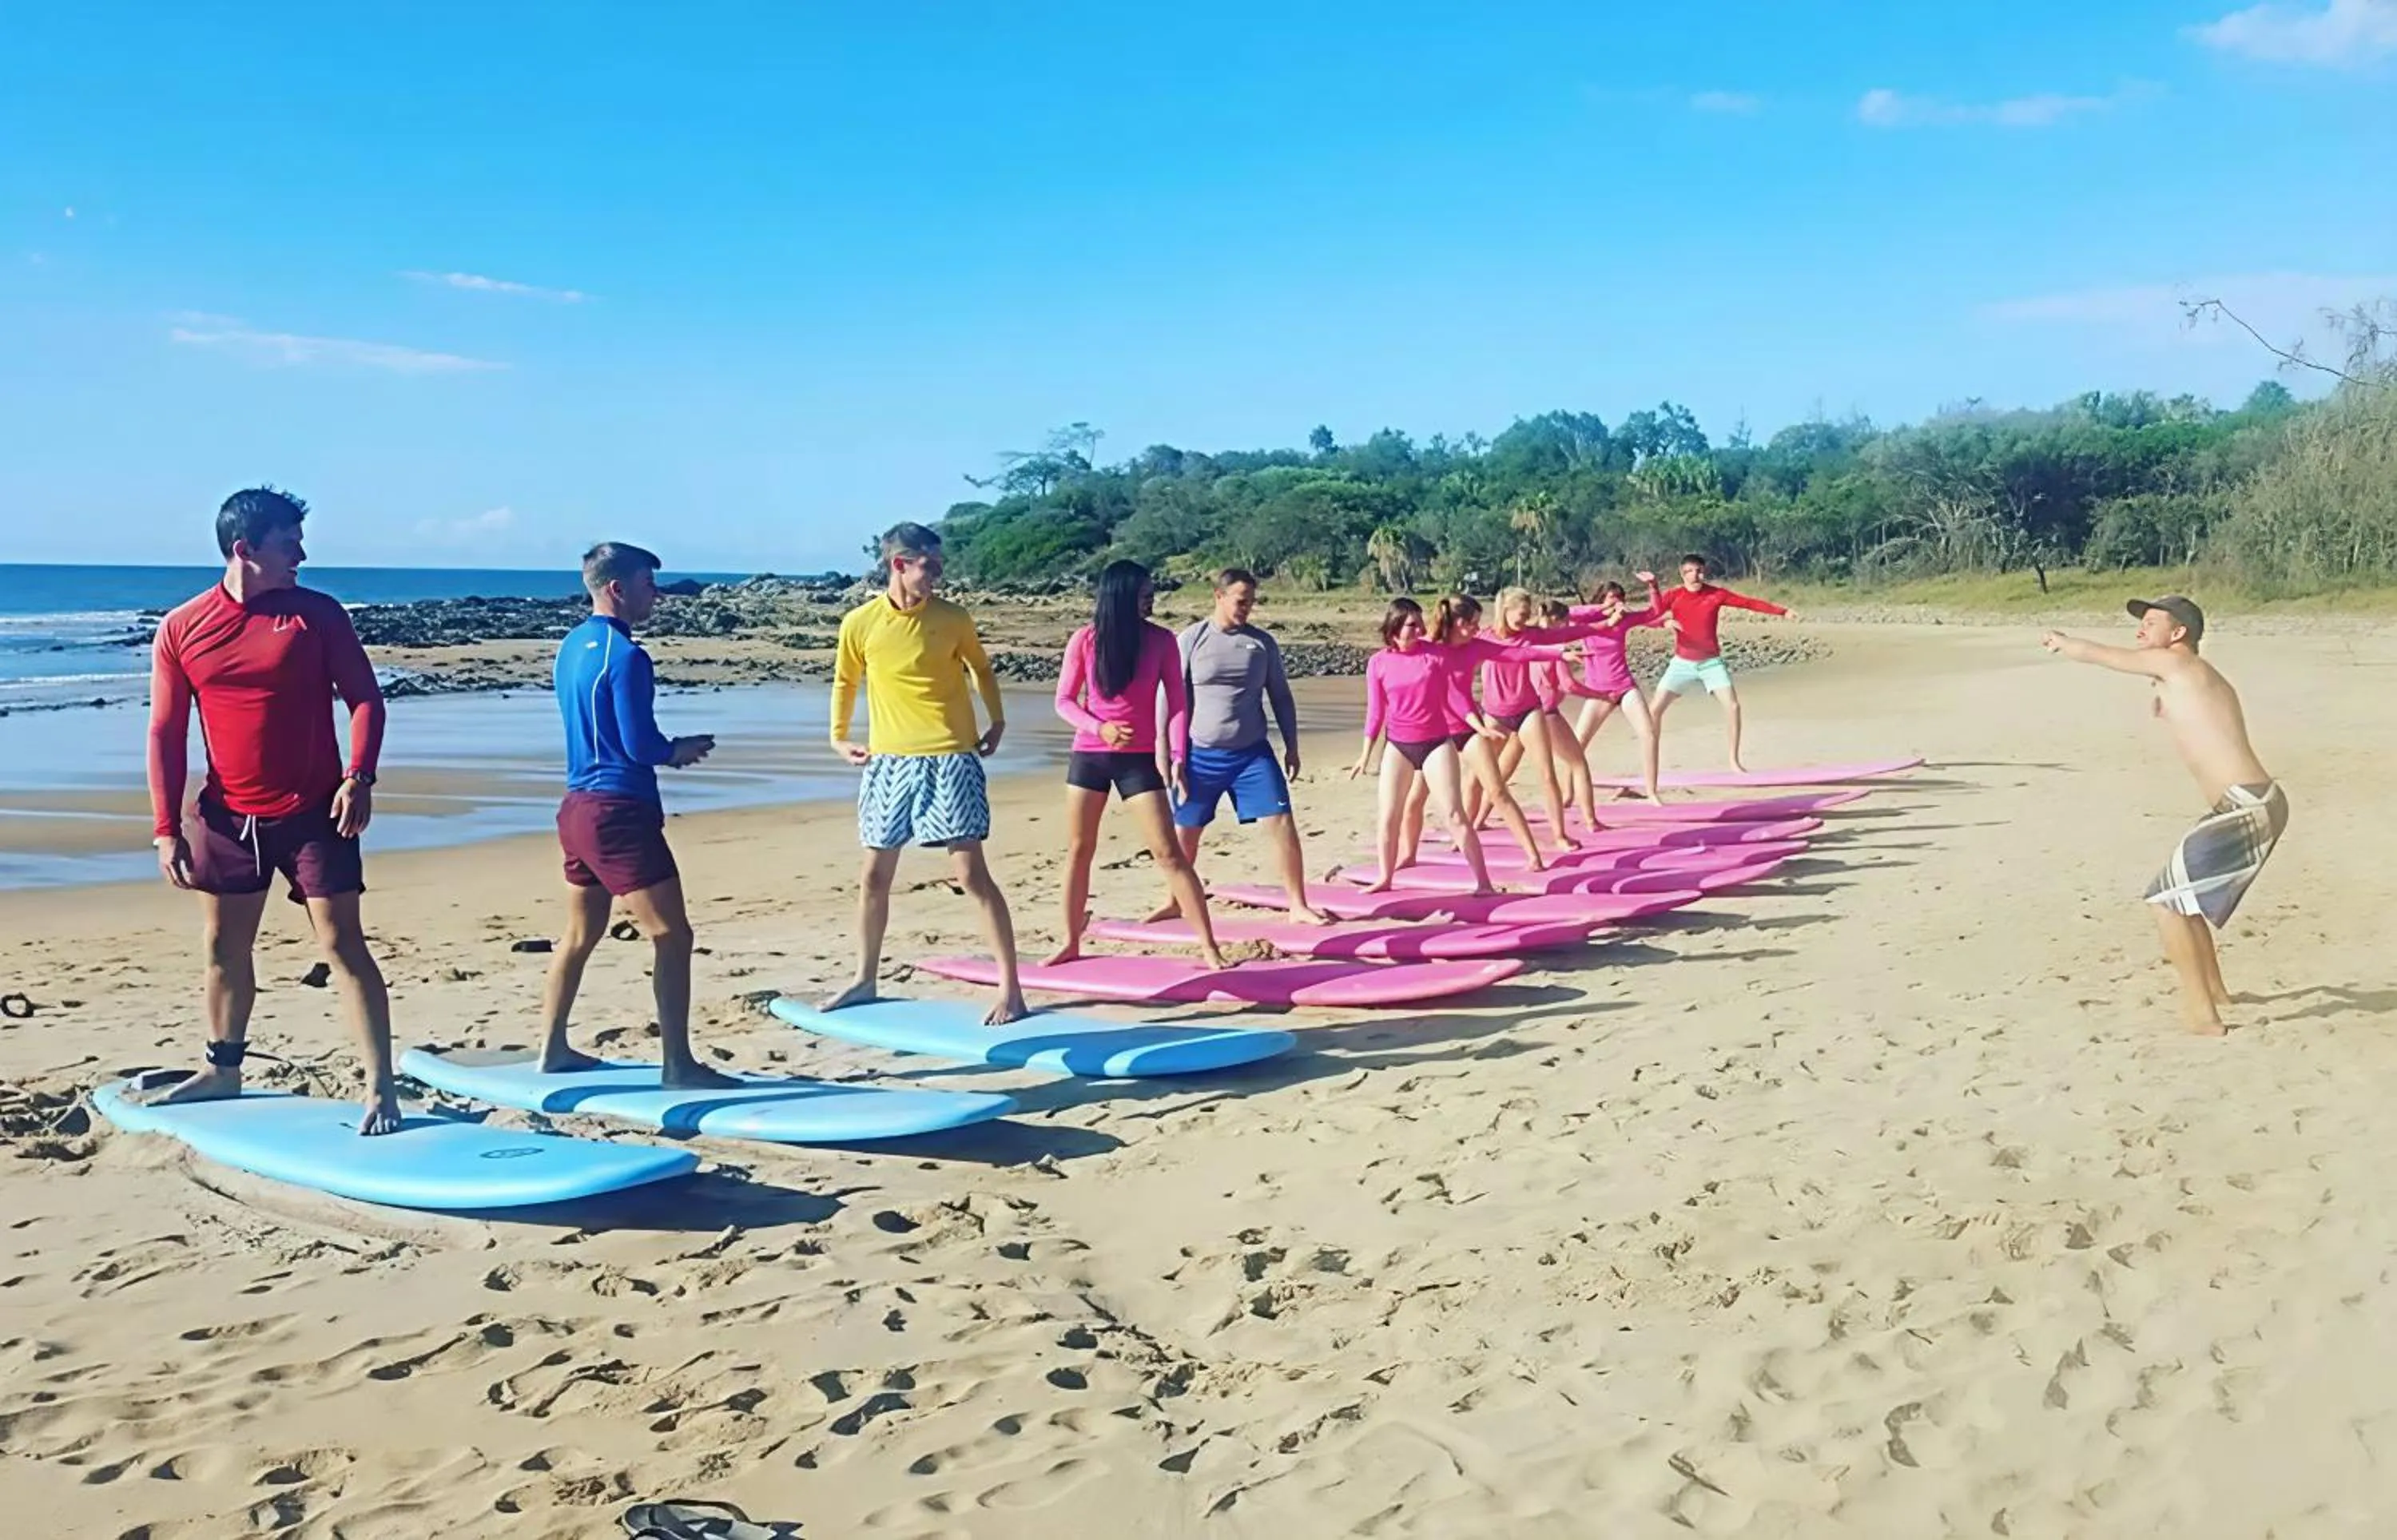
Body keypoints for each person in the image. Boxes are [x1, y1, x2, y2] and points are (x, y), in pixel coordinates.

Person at [144, 487, 399, 1133]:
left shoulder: (318, 616)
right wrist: (166, 828)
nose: (302, 555)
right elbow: (166, 735)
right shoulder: (181, 628)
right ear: (244, 549)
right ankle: (223, 1069)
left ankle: (380, 1088)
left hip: (318, 813)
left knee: (343, 943)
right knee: (225, 947)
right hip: (228, 818)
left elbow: (365, 699)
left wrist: (359, 777)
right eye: (290, 544)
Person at [536, 542, 735, 1086]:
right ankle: (678, 1064)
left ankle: (553, 1048)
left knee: (580, 934)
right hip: (618, 811)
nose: (657, 595)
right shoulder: (627, 657)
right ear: (617, 589)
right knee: (672, 935)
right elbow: (640, 744)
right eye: (649, 584)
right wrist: (680, 749)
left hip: (576, 808)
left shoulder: (570, 647)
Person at [2043, 596, 2288, 1036]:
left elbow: (2101, 656)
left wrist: (2062, 642)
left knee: (2165, 902)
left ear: (2178, 634)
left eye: (2151, 623)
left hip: (2245, 805)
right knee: (2185, 899)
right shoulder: (2190, 674)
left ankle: (2202, 1016)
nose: (2141, 630)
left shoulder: (2176, 667)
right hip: (2247, 802)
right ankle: (2215, 994)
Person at [825, 522, 1028, 1025]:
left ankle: (1012, 990)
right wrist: (837, 736)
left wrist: (997, 720)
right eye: (930, 566)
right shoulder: (860, 622)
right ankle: (865, 979)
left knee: (970, 875)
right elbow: (846, 679)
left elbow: (981, 668)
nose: (938, 574)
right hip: (888, 761)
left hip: (950, 757)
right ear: (900, 564)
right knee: (874, 876)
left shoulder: (952, 619)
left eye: (939, 566)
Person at [1051, 560, 1226, 968]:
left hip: (1138, 762)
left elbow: (1179, 706)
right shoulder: (1085, 641)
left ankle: (1209, 946)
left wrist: (1179, 756)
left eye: (1152, 593)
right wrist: (1100, 728)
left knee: (1168, 853)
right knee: (1080, 849)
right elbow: (1063, 702)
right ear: (1121, 596)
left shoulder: (1163, 641)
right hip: (1089, 757)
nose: (1152, 600)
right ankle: (1070, 940)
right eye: (1145, 594)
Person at [1152, 567, 1330, 925]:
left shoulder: (1262, 643)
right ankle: (1174, 900)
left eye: (1251, 602)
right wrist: (1167, 753)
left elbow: (1280, 695)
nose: (1247, 608)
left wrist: (1292, 746)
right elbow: (1169, 700)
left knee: (1282, 823)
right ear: (1218, 596)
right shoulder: (1191, 639)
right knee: (1185, 832)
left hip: (1252, 754)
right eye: (1241, 601)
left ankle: (1297, 903)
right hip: (1199, 754)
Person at [1350, 598, 1496, 895]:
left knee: (1454, 813)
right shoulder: (1378, 662)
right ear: (1394, 629)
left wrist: (1478, 725)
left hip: (1436, 744)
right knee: (1389, 813)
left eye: (1421, 623)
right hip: (1399, 746)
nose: (1420, 630)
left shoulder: (1435, 655)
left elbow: (1454, 697)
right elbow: (1376, 712)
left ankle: (1484, 883)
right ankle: (1385, 878)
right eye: (1412, 625)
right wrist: (1365, 755)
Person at [1478, 586, 1604, 855]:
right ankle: (1471, 825)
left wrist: (1602, 625)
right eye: (1520, 615)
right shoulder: (1484, 639)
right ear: (1505, 611)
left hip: (1529, 711)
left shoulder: (1530, 636)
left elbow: (1566, 633)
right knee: (1483, 775)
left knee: (1547, 774)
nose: (1524, 620)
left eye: (1527, 614)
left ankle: (1559, 835)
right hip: (1494, 714)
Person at [1648, 554, 1796, 773]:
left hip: (1711, 663)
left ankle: (1734, 761)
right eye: (1690, 571)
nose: (1695, 575)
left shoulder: (1715, 595)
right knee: (1654, 711)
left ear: (1704, 572)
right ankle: (1651, 760)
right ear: (1682, 574)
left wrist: (1782, 611)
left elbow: (1748, 603)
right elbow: (1648, 616)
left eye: (1699, 570)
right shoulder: (1674, 596)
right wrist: (1664, 621)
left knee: (1733, 707)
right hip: (1682, 663)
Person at [1566, 574, 1668, 804]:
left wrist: (1653, 586)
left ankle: (1652, 792)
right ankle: (1569, 793)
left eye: (1620, 599)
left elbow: (1654, 613)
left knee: (1648, 734)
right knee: (1578, 742)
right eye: (1612, 598)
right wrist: (1602, 608)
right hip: (1598, 692)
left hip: (1624, 686)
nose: (1617, 603)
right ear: (1602, 599)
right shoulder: (1586, 622)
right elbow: (1568, 613)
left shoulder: (1624, 620)